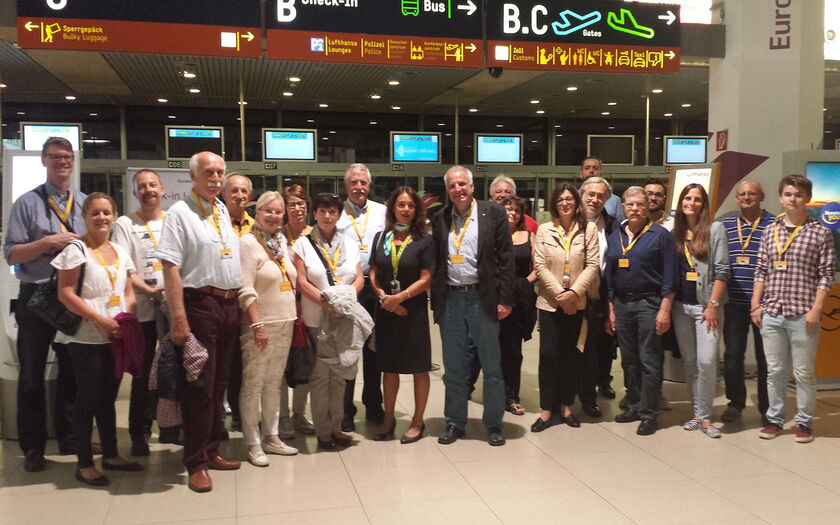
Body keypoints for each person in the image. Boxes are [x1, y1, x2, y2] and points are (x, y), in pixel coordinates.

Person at [155, 151, 243, 493]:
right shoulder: (179, 212)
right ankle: (195, 462)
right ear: (193, 177)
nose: (217, 178)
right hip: (199, 305)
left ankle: (211, 449)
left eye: (220, 172)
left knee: (219, 385)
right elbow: (170, 267)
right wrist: (179, 318)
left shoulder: (221, 208)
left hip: (228, 304)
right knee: (200, 388)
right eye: (209, 172)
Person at [3, 136, 83, 471]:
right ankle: (33, 448)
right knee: (32, 376)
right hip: (35, 298)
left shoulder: (83, 203)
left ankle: (70, 439)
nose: (62, 162)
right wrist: (46, 243)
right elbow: (11, 254)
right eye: (55, 157)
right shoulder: (26, 203)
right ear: (44, 160)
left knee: (72, 374)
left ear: (73, 161)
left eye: (66, 157)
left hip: (71, 297)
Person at [54, 192, 142, 486]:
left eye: (107, 212)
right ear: (85, 216)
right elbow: (65, 293)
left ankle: (111, 454)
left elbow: (128, 291)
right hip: (86, 338)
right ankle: (83, 463)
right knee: (87, 400)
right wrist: (101, 320)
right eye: (95, 213)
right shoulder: (75, 250)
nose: (101, 218)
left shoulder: (119, 250)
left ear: (114, 216)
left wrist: (125, 319)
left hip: (116, 337)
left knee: (108, 399)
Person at [431, 166, 514, 447]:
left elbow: (506, 258)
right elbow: (437, 262)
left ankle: (493, 423)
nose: (458, 189)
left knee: (491, 366)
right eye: (453, 185)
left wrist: (504, 299)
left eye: (463, 184)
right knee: (453, 368)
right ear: (448, 190)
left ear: (472, 186)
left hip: (483, 298)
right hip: (451, 299)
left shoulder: (493, 213)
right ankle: (455, 422)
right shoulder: (440, 217)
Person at [752, 175, 835, 443]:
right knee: (774, 371)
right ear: (780, 197)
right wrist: (756, 303)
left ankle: (804, 422)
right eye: (788, 194)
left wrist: (816, 309)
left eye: (799, 194)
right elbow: (761, 270)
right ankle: (775, 419)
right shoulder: (770, 230)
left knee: (803, 373)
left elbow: (826, 275)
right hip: (773, 311)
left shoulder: (820, 233)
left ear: (807, 199)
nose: (793, 199)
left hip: (803, 314)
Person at [112, 168, 178, 455]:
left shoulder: (173, 221)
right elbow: (124, 267)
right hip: (143, 310)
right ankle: (139, 433)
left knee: (171, 370)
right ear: (135, 192)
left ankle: (169, 427)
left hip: (172, 307)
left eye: (153, 184)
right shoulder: (125, 224)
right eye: (142, 186)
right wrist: (148, 290)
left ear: (162, 190)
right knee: (142, 374)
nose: (148, 189)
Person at [292, 193, 364, 451]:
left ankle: (337, 427)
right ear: (315, 214)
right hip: (317, 319)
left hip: (344, 318)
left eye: (333, 211)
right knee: (321, 376)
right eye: (322, 211)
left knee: (341, 375)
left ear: (339, 214)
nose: (327, 215)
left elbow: (359, 278)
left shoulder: (349, 242)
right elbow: (301, 281)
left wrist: (345, 301)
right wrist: (326, 303)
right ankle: (323, 432)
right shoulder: (303, 244)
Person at [606, 187, 676, 436]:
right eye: (630, 204)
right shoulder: (616, 235)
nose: (635, 208)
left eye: (640, 204)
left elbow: (670, 276)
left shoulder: (661, 235)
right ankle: (634, 405)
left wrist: (664, 309)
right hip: (622, 305)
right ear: (622, 206)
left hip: (649, 304)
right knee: (629, 360)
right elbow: (610, 276)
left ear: (647, 207)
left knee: (649, 360)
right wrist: (611, 308)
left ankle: (649, 413)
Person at [238, 191, 299, 466]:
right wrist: (257, 323)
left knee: (274, 383)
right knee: (253, 384)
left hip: (285, 321)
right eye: (268, 211)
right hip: (260, 326)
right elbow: (245, 287)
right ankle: (252, 442)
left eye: (278, 212)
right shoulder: (248, 243)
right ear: (257, 212)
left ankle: (272, 436)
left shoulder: (280, 241)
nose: (274, 216)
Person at [368, 186, 434, 443]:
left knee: (419, 368)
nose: (405, 210)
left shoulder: (425, 240)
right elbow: (373, 270)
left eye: (410, 206)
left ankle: (418, 421)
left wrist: (400, 297)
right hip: (386, 311)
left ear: (416, 210)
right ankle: (388, 419)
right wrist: (383, 296)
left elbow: (426, 277)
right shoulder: (380, 238)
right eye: (401, 205)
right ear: (392, 208)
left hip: (413, 311)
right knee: (389, 368)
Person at [532, 184, 599, 432]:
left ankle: (567, 406)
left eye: (570, 198)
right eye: (560, 199)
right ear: (554, 204)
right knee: (548, 355)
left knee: (571, 355)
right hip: (550, 303)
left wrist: (573, 294)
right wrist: (561, 294)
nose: (565, 203)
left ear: (576, 202)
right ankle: (547, 409)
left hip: (576, 303)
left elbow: (592, 265)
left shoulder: (588, 230)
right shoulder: (544, 230)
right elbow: (540, 266)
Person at [671, 184, 729, 438]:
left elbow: (723, 270)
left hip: (707, 307)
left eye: (696, 199)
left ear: (703, 204)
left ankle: (705, 417)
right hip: (680, 307)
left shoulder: (715, 229)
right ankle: (697, 414)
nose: (691, 203)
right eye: (687, 197)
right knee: (691, 363)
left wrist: (713, 305)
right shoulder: (675, 231)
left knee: (707, 361)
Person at [336, 163, 386, 431]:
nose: (359, 188)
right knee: (349, 349)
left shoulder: (382, 212)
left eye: (363, 183)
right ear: (346, 186)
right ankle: (346, 408)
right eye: (354, 183)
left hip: (375, 287)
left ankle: (373, 403)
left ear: (369, 185)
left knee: (374, 350)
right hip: (348, 289)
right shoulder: (336, 213)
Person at [720, 181, 774, 423]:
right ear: (736, 198)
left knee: (766, 358)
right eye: (742, 194)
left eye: (752, 193)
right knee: (732, 355)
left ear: (761, 196)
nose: (747, 197)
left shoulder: (775, 224)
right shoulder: (725, 225)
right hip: (733, 301)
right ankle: (735, 402)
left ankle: (766, 408)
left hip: (767, 303)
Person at [578, 177, 620, 417]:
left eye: (600, 196)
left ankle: (589, 396)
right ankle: (571, 390)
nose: (595, 199)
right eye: (590, 194)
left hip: (599, 294)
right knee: (573, 347)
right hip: (572, 294)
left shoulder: (614, 226)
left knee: (596, 348)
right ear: (582, 194)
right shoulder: (569, 221)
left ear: (607, 199)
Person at [276, 184, 315, 439]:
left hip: (310, 307)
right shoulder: (276, 236)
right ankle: (282, 418)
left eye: (302, 204)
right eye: (292, 204)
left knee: (308, 363)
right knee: (280, 365)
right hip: (281, 307)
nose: (297, 208)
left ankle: (300, 415)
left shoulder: (316, 235)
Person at [219, 173, 254, 435]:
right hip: (224, 300)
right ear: (224, 194)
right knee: (223, 362)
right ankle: (218, 416)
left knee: (244, 363)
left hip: (251, 303)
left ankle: (242, 415)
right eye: (234, 191)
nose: (239, 196)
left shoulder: (256, 226)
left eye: (244, 192)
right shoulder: (215, 223)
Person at [498, 195, 537, 416]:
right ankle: (496, 393)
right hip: (496, 299)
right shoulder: (492, 236)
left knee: (513, 349)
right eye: (507, 208)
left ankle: (512, 396)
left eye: (515, 210)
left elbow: (539, 265)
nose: (511, 212)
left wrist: (524, 283)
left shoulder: (529, 236)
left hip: (520, 299)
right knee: (495, 348)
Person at [579, 157, 623, 221]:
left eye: (595, 168)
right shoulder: (573, 197)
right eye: (587, 168)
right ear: (581, 174)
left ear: (601, 174)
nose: (591, 171)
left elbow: (619, 227)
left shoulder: (615, 201)